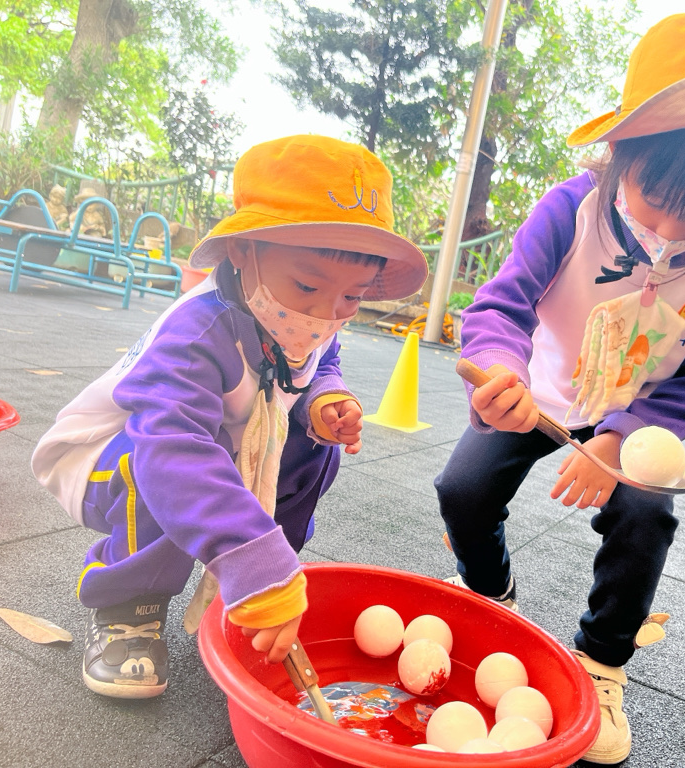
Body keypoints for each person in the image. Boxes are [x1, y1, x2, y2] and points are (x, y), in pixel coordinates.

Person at [433, 12, 685, 765]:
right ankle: (489, 591)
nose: (676, 231)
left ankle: (602, 660)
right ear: (624, 152)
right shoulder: (571, 210)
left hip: (638, 417)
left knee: (645, 514)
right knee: (463, 489)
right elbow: (501, 305)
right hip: (542, 394)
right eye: (659, 197)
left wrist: (620, 437)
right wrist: (501, 371)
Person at [31, 135, 427, 698]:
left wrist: (323, 398)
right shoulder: (196, 334)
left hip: (226, 447)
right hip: (116, 462)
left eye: (353, 297)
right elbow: (174, 450)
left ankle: (264, 576)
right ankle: (128, 605)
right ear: (244, 251)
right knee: (177, 461)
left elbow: (321, 359)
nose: (325, 314)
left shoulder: (306, 319)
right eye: (309, 285)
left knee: (312, 444)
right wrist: (250, 560)